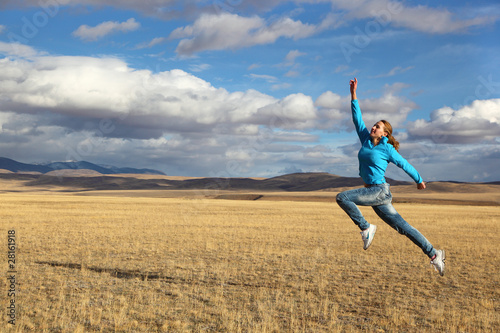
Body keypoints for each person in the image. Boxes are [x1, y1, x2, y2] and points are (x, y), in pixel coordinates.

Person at [336, 78, 445, 276]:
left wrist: (419, 180)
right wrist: (353, 95)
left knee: (342, 197)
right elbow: (357, 118)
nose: (373, 127)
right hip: (373, 192)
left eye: (377, 126)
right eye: (374, 125)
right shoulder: (366, 140)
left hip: (378, 191)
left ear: (384, 133)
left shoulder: (387, 148)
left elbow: (404, 164)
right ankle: (434, 254)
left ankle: (366, 227)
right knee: (404, 228)